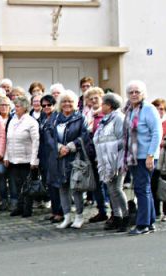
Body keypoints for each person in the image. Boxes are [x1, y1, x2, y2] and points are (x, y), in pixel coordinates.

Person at [43, 90, 89, 229]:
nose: (67, 104)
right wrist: (58, 147)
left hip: (74, 158)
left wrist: (70, 147)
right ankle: (67, 217)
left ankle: (79, 217)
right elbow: (48, 135)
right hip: (58, 158)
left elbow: (85, 135)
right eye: (64, 101)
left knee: (76, 188)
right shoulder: (55, 118)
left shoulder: (80, 118)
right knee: (62, 188)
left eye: (70, 101)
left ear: (75, 103)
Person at [122, 80, 162, 235]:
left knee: (142, 189)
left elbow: (157, 133)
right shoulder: (129, 110)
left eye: (137, 91)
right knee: (143, 189)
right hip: (133, 156)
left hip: (146, 156)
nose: (133, 94)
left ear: (143, 93)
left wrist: (151, 155)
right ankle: (150, 222)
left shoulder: (149, 109)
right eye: (131, 92)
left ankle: (143, 224)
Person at [94, 93, 129, 232]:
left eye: (103, 103)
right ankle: (117, 216)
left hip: (117, 159)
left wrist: (109, 147)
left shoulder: (119, 118)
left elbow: (123, 139)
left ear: (109, 105)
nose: (101, 106)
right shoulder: (105, 120)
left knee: (117, 189)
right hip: (105, 160)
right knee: (111, 190)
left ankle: (125, 216)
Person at [4, 96, 40, 218]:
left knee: (27, 185)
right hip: (13, 158)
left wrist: (34, 160)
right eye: (15, 106)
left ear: (25, 108)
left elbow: (36, 141)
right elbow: (8, 140)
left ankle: (27, 208)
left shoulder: (31, 121)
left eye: (18, 106)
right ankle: (19, 207)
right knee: (16, 185)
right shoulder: (12, 120)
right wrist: (6, 156)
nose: (15, 108)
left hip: (26, 159)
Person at [83, 87, 109, 224]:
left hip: (103, 154)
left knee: (107, 183)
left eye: (96, 98)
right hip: (91, 154)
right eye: (90, 98)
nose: (93, 100)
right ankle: (101, 211)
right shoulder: (87, 115)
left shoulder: (104, 114)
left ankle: (113, 211)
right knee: (96, 184)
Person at [38, 95, 62, 223]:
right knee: (49, 183)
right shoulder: (42, 118)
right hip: (44, 154)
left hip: (54, 153)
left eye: (49, 105)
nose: (46, 107)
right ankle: (54, 210)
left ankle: (60, 211)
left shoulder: (57, 117)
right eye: (44, 105)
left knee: (56, 183)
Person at [0, 95, 13, 211]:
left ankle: (14, 200)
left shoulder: (13, 119)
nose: (4, 107)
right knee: (1, 176)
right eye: (1, 105)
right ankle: (4, 200)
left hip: (12, 153)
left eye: (6, 105)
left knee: (12, 178)